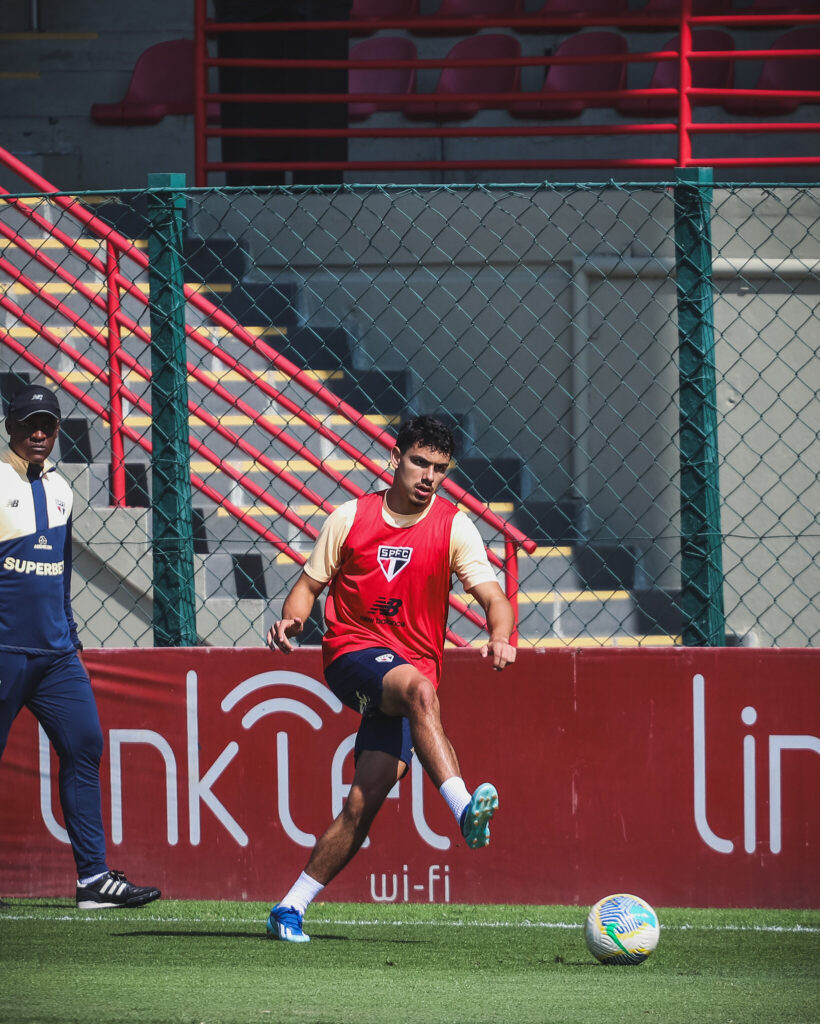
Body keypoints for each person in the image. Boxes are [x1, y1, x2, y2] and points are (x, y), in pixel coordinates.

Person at [264, 414, 516, 942]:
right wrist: (293, 618)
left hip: (409, 674)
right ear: (395, 459)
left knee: (365, 799)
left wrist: (500, 634)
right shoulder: (349, 518)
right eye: (419, 462)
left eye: (439, 469)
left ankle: (290, 907)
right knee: (421, 692)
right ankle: (464, 809)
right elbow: (308, 588)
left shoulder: (453, 525)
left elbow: (494, 597)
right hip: (351, 653)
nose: (428, 475)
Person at [0, 384, 161, 910]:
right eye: (29, 425)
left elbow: (61, 570)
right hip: (4, 650)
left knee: (85, 745)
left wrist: (68, 634)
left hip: (56, 655)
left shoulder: (64, 489)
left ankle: (93, 880)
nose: (40, 434)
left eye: (48, 424)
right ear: (10, 428)